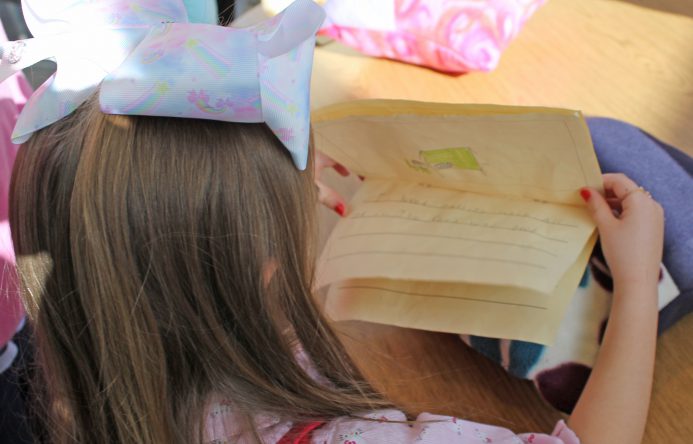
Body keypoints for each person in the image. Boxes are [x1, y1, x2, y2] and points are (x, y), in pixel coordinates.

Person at [4, 1, 664, 443]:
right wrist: (634, 282)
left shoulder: (100, 380)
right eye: (310, 188)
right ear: (259, 271)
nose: (323, 198)